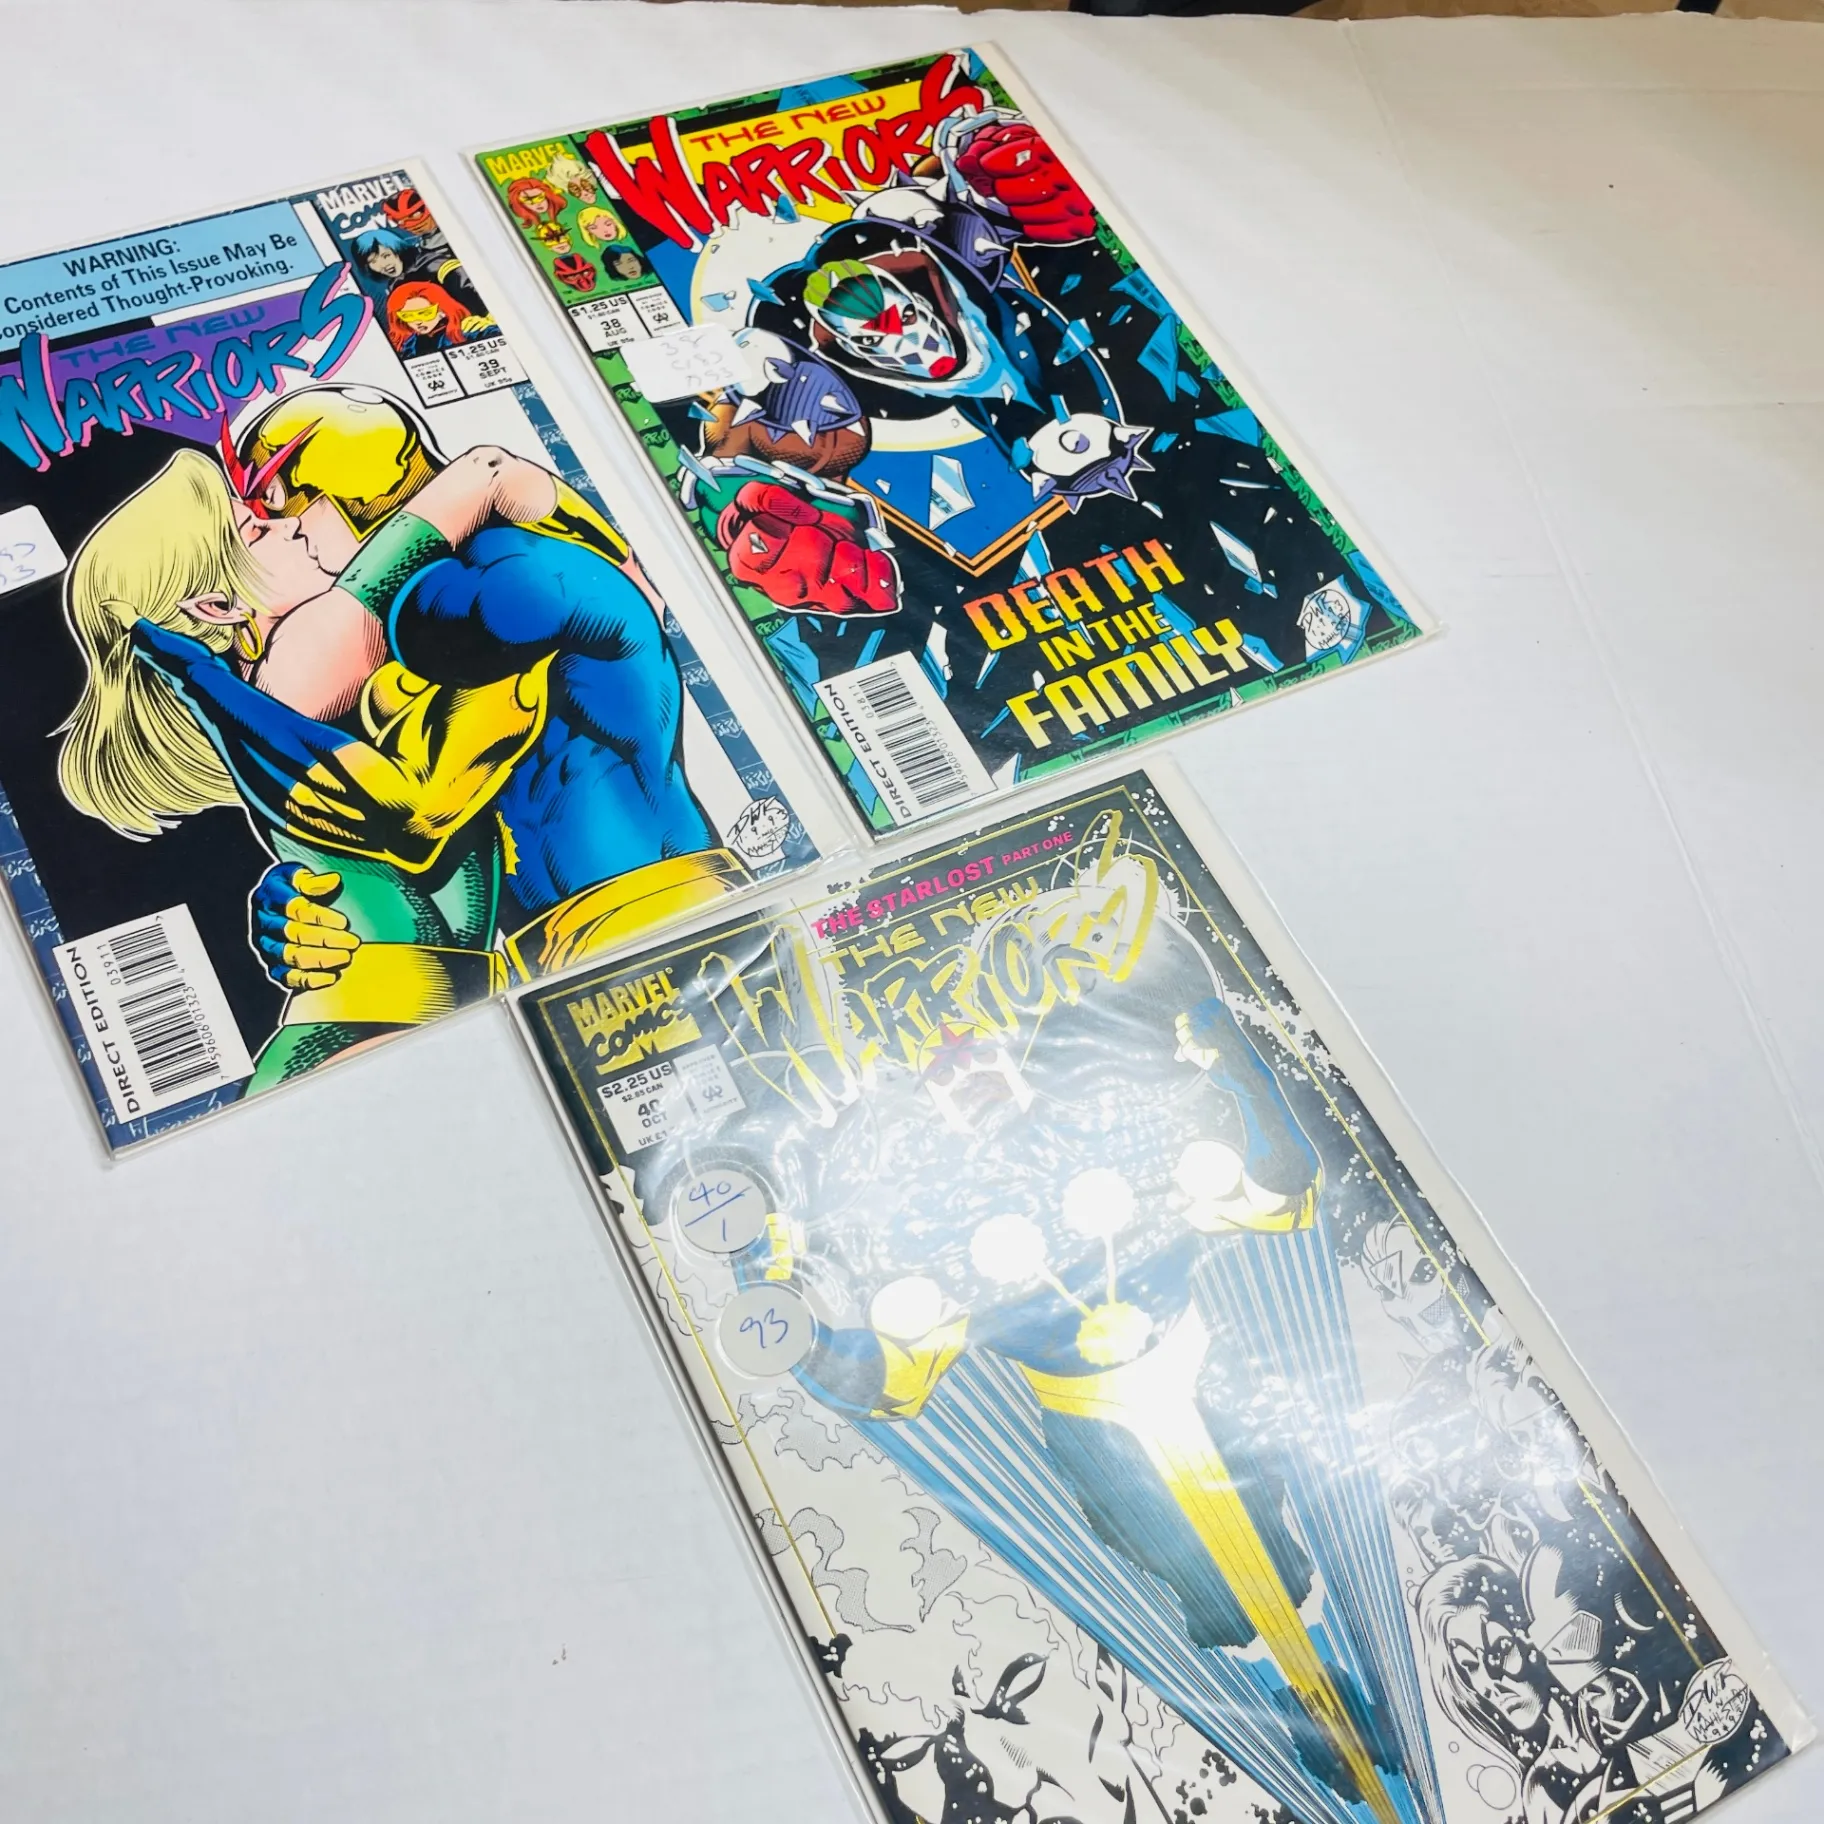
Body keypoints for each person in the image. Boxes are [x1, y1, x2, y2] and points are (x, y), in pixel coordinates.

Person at [135, 387, 754, 1006]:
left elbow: (410, 808)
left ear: (349, 498)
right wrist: (313, 906)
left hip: (669, 922)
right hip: (543, 971)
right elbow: (410, 863)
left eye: (278, 509)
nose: (284, 530)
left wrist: (205, 679)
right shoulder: (393, 664)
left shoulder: (496, 582)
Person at [59, 442, 557, 1087]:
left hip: (397, 1016)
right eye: (254, 530)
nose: (292, 521)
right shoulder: (307, 650)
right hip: (375, 1029)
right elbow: (489, 471)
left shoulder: (281, 689)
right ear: (216, 606)